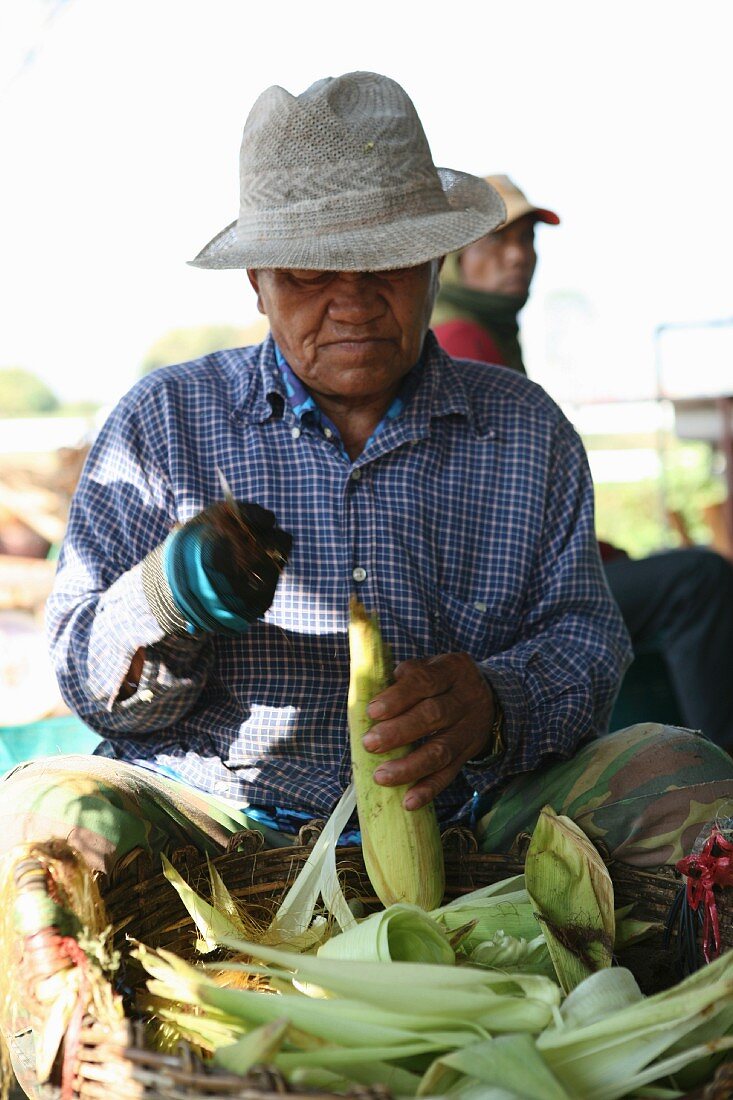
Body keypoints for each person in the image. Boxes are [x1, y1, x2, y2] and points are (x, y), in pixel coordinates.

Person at [1, 74, 731, 896]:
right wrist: (167, 600)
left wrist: (495, 706)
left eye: (384, 264)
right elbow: (87, 687)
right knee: (43, 817)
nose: (351, 302)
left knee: (685, 777)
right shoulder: (164, 424)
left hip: (474, 818)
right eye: (309, 273)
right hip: (212, 817)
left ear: (432, 264)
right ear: (257, 282)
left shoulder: (526, 434)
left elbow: (587, 645)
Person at [433, 174, 733, 750]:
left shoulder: (488, 334)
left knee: (669, 570)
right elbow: (509, 515)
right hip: (504, 598)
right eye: (499, 243)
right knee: (700, 579)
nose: (519, 256)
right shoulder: (463, 339)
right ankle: (719, 783)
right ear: (454, 259)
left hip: (514, 583)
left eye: (528, 242)